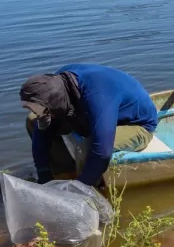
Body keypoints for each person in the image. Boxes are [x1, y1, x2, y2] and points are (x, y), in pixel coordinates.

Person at [20, 64, 158, 186]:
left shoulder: (97, 95)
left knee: (87, 147)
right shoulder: (55, 84)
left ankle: (90, 190)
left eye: (49, 111)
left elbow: (102, 152)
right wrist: (43, 171)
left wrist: (80, 190)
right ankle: (63, 174)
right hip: (95, 115)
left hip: (136, 125)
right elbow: (41, 127)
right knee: (33, 121)